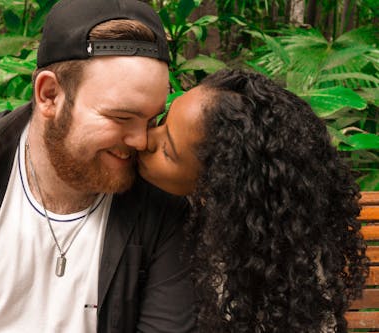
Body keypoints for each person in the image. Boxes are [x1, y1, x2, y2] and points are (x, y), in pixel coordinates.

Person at [0, 0, 196, 332]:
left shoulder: (161, 208)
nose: (141, 141)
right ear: (49, 95)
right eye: (121, 117)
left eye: (151, 118)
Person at [138, 69, 369, 333]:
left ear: (216, 188)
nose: (145, 140)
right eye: (162, 121)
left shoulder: (277, 269)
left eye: (167, 151)